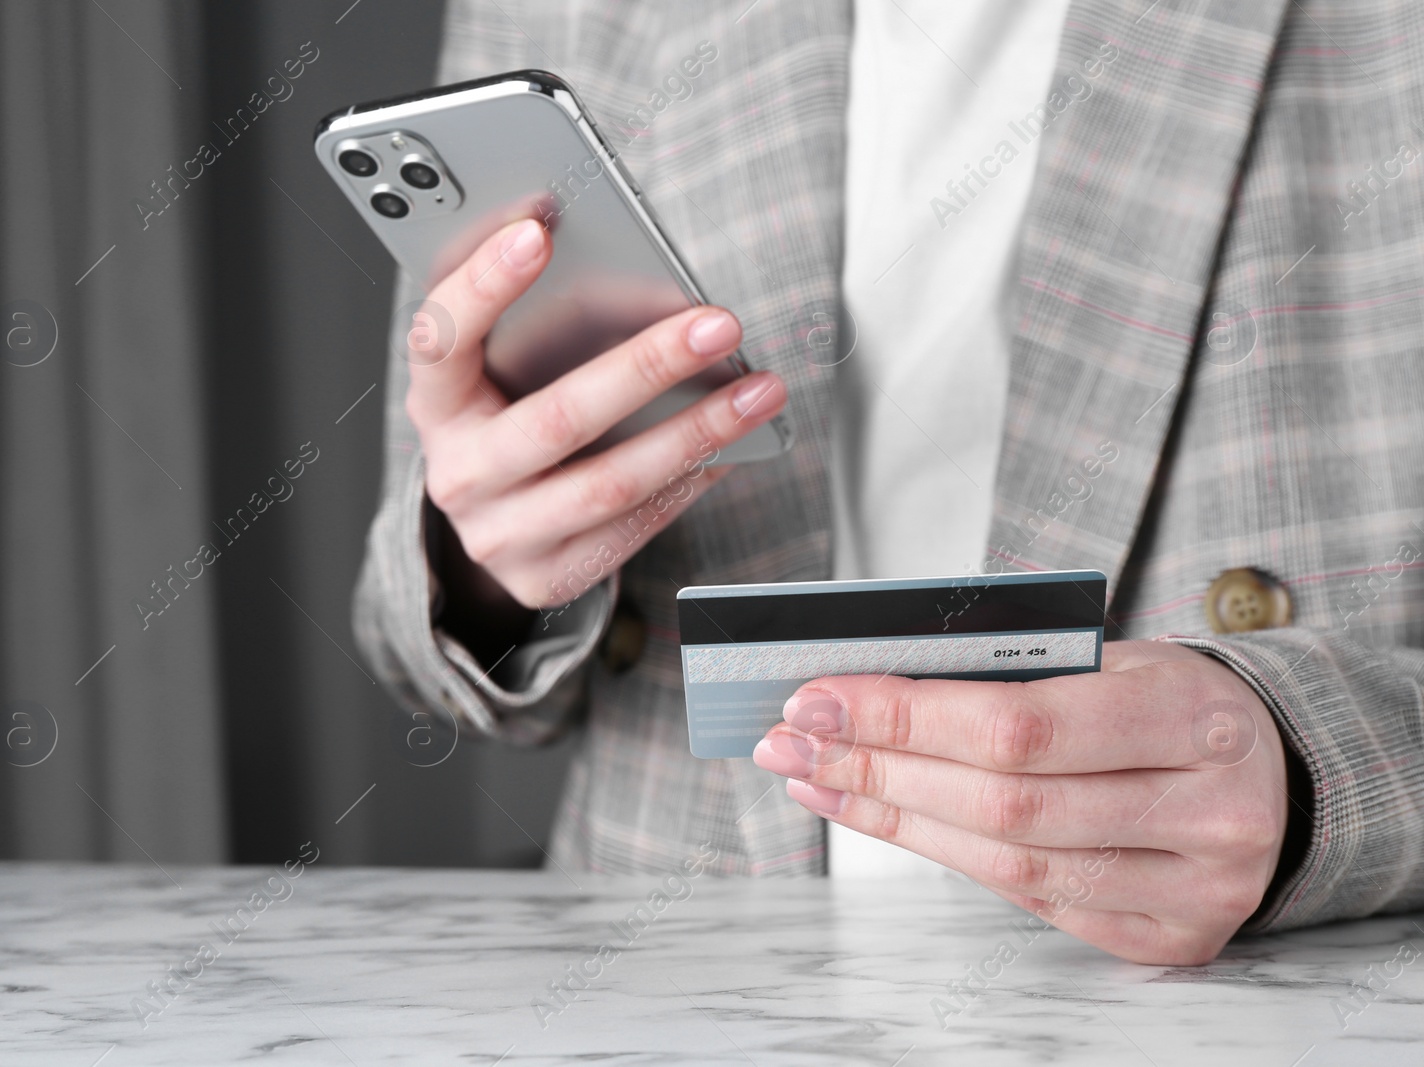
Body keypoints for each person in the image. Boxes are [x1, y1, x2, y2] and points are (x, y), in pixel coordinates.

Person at [353, 0, 1424, 965]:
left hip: (1233, 1002)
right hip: (683, 980)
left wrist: (1317, 768)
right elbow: (414, 641)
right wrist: (483, 564)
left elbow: (1341, 767)